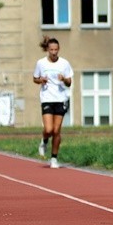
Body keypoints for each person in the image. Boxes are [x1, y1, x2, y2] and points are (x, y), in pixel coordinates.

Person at [33, 36, 74, 169]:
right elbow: (35, 78)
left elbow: (69, 82)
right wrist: (41, 80)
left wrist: (63, 79)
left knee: (56, 131)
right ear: (47, 50)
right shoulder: (41, 63)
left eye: (56, 49)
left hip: (60, 98)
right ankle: (44, 141)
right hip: (47, 98)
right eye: (51, 49)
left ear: (59, 49)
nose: (54, 52)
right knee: (49, 129)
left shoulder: (64, 63)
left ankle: (54, 158)